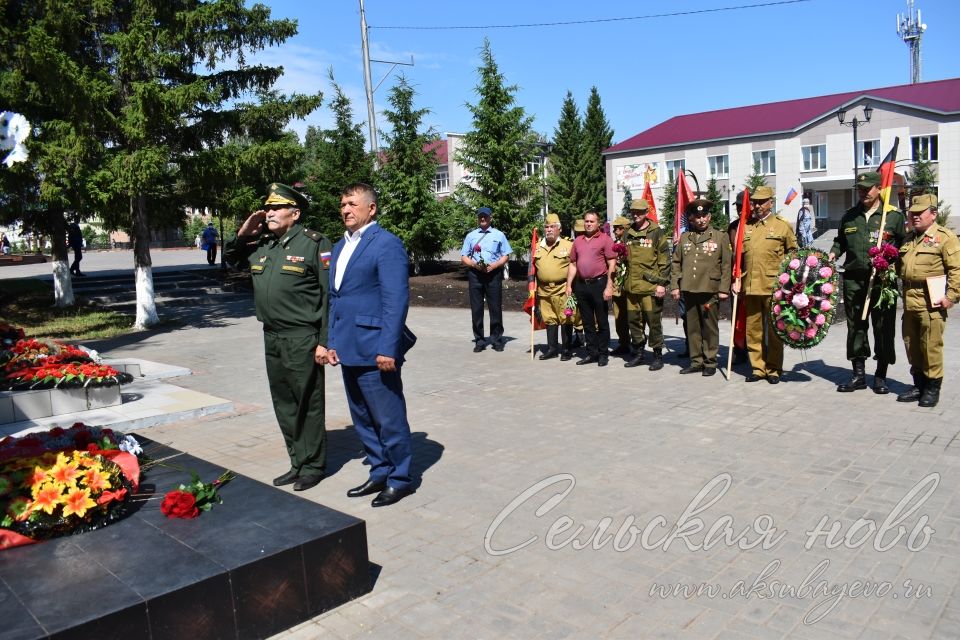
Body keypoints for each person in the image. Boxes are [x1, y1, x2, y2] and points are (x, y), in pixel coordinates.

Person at [224, 183, 332, 492]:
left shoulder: (313, 244)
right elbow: (231, 257)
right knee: (284, 402)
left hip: (303, 337)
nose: (268, 213)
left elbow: (329, 296)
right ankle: (297, 461)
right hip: (271, 336)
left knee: (307, 402)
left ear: (295, 213)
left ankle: (313, 465)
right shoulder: (263, 245)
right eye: (267, 208)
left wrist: (325, 340)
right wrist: (245, 232)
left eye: (276, 208)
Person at [326, 183, 415, 507]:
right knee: (362, 417)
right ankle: (379, 470)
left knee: (388, 418)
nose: (346, 209)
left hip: (376, 347)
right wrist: (331, 341)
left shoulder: (386, 244)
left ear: (371, 208)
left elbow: (396, 300)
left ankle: (400, 478)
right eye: (342, 204)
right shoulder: (339, 247)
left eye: (352, 203)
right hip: (348, 346)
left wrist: (388, 348)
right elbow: (335, 298)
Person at [829, 171, 907, 394]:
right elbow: (840, 241)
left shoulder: (892, 217)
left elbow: (904, 248)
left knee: (883, 327)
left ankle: (881, 376)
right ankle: (858, 375)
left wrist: (892, 262)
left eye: (867, 188)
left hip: (882, 282)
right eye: (860, 189)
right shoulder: (850, 216)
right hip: (854, 280)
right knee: (856, 327)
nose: (863, 192)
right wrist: (834, 253)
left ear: (878, 189)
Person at [895, 194, 960, 408]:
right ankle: (919, 384)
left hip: (931, 302)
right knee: (911, 345)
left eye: (919, 212)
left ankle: (933, 388)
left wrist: (951, 297)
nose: (914, 216)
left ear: (933, 214)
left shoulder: (945, 237)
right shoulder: (909, 239)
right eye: (912, 212)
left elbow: (956, 270)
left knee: (930, 346)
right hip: (909, 301)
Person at [731, 186, 798, 384]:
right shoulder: (747, 226)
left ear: (771, 202)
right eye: (755, 202)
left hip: (773, 286)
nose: (757, 205)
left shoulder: (782, 226)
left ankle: (774, 369)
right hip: (750, 286)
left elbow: (793, 255)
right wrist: (737, 279)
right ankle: (758, 368)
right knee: (753, 330)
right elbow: (739, 257)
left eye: (762, 202)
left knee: (775, 331)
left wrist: (790, 283)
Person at [671, 198, 732, 376]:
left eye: (704, 216)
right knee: (693, 327)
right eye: (697, 216)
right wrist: (675, 285)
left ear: (710, 217)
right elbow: (676, 263)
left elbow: (726, 265)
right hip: (689, 288)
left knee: (709, 328)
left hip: (710, 289)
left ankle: (710, 362)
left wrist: (723, 288)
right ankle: (696, 361)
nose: (701, 220)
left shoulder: (720, 237)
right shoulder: (684, 238)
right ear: (691, 218)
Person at [622, 199, 670, 370]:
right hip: (632, 287)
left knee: (653, 321)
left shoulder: (656, 232)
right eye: (633, 211)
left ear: (646, 213)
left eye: (640, 212)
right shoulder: (627, 233)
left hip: (650, 286)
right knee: (634, 322)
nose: (636, 214)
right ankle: (639, 354)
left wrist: (662, 284)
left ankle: (657, 355)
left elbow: (664, 259)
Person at [566, 209, 616, 367]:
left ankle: (603, 354)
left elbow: (612, 264)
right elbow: (573, 264)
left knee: (601, 321)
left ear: (598, 223)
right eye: (586, 221)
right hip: (581, 285)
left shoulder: (605, 239)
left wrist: (609, 286)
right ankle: (591, 353)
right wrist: (569, 285)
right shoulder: (578, 241)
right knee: (587, 322)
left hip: (599, 284)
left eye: (591, 221)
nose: (588, 224)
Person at [461, 207, 512, 352]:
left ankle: (496, 339)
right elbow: (464, 257)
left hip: (493, 274)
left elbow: (506, 254)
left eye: (485, 216)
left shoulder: (499, 235)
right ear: (478, 218)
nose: (482, 219)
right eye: (480, 217)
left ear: (491, 218)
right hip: (475, 275)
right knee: (476, 309)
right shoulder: (471, 236)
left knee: (495, 307)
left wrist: (496, 265)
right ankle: (479, 340)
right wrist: (474, 265)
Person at [535, 213, 577, 360]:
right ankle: (552, 349)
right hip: (544, 290)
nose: (549, 230)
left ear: (559, 229)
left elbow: (575, 265)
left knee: (566, 318)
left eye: (552, 226)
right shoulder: (537, 246)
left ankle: (566, 350)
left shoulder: (568, 245)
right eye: (546, 227)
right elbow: (532, 269)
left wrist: (572, 286)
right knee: (550, 319)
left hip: (563, 289)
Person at [609, 215, 631, 358]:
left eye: (618, 228)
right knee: (619, 317)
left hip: (630, 286)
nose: (615, 230)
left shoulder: (632, 243)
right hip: (618, 286)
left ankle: (637, 344)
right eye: (614, 228)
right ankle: (624, 343)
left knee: (634, 317)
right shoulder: (615, 243)